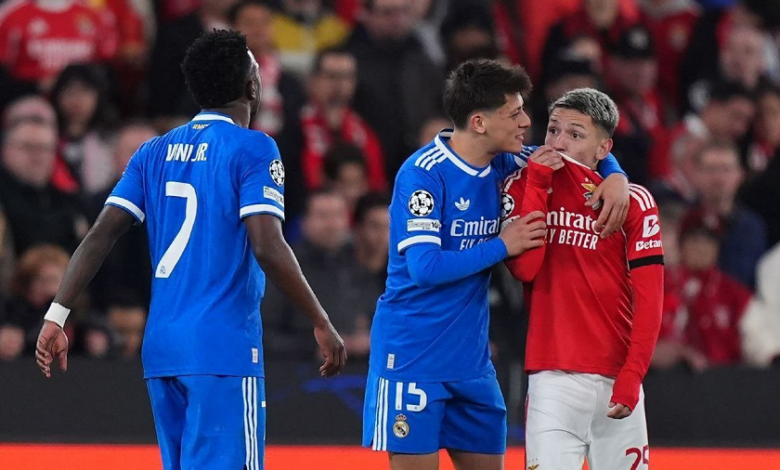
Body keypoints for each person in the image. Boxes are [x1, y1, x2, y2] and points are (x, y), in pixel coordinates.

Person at [35, 30, 346, 470]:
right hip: (222, 348)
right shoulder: (254, 147)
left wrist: (56, 314)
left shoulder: (152, 151)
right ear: (251, 86)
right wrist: (321, 320)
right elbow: (267, 245)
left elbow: (100, 234)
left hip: (162, 349)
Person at [362, 59, 629, 470]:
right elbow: (425, 268)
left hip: (472, 363)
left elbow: (571, 158)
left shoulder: (505, 161)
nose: (527, 122)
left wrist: (616, 175)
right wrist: (503, 245)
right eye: (514, 113)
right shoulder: (423, 175)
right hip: (413, 356)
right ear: (479, 122)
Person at [502, 88, 664, 470]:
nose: (558, 143)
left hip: (616, 377)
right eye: (553, 130)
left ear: (603, 148)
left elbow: (651, 298)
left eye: (575, 135)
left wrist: (633, 374)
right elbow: (525, 269)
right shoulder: (520, 185)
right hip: (552, 380)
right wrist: (538, 185)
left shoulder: (633, 202)